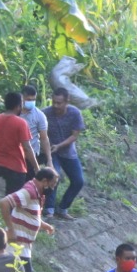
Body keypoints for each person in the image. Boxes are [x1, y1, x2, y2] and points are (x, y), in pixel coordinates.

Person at [0, 168, 59, 272]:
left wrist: (43, 225)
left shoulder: (37, 194)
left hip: (24, 249)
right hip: (17, 249)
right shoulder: (29, 192)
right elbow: (4, 202)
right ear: (44, 181)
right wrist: (11, 230)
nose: (52, 189)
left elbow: (30, 214)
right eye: (52, 185)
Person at [43, 88, 86, 219]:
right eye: (54, 102)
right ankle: (48, 209)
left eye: (59, 103)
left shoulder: (75, 113)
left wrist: (59, 145)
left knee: (78, 181)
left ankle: (62, 208)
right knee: (54, 174)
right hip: (51, 151)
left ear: (67, 101)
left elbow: (74, 136)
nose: (56, 106)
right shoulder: (45, 113)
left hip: (68, 152)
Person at [19, 84, 51, 170]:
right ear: (22, 98)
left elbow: (44, 138)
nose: (31, 102)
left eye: (34, 100)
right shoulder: (15, 112)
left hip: (30, 156)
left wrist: (49, 160)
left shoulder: (39, 115)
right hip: (14, 153)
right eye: (29, 100)